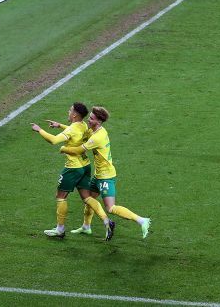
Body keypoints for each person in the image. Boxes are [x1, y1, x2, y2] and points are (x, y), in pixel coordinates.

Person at [60, 106, 151, 240]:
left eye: (91, 118)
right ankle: (86, 227)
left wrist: (63, 148)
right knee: (89, 200)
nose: (88, 120)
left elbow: (79, 150)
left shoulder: (97, 137)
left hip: (106, 177)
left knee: (110, 207)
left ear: (99, 121)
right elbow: (78, 132)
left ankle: (142, 221)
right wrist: (60, 126)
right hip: (98, 175)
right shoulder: (96, 130)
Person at [31, 102, 107, 239]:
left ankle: (60, 229)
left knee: (60, 197)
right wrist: (59, 125)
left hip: (72, 168)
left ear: (74, 114)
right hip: (85, 166)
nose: (68, 111)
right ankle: (107, 221)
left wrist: (39, 130)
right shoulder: (84, 125)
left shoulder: (72, 129)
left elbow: (54, 140)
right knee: (87, 198)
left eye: (70, 110)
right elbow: (74, 132)